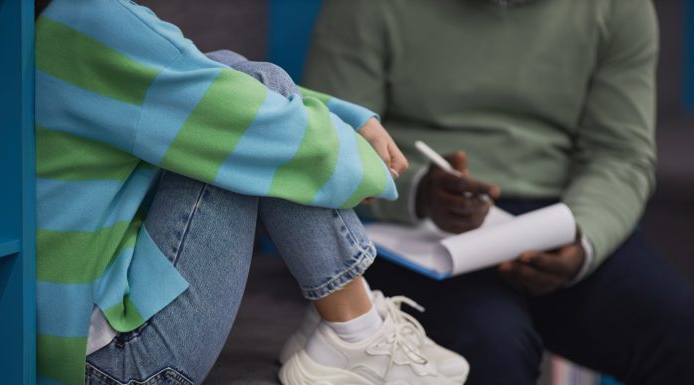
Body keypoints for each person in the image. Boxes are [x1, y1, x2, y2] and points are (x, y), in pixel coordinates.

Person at [34, 1, 469, 385]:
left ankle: (351, 329)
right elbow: (242, 109)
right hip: (116, 366)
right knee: (249, 121)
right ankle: (355, 331)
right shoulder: (90, 19)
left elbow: (201, 73)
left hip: (78, 343)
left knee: (248, 89)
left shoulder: (46, 22)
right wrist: (365, 167)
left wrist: (348, 118)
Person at [301, 0, 694, 384]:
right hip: (411, 227)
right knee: (490, 345)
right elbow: (328, 147)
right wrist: (416, 191)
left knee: (680, 330)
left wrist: (583, 238)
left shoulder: (618, 9)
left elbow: (620, 153)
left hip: (563, 214)